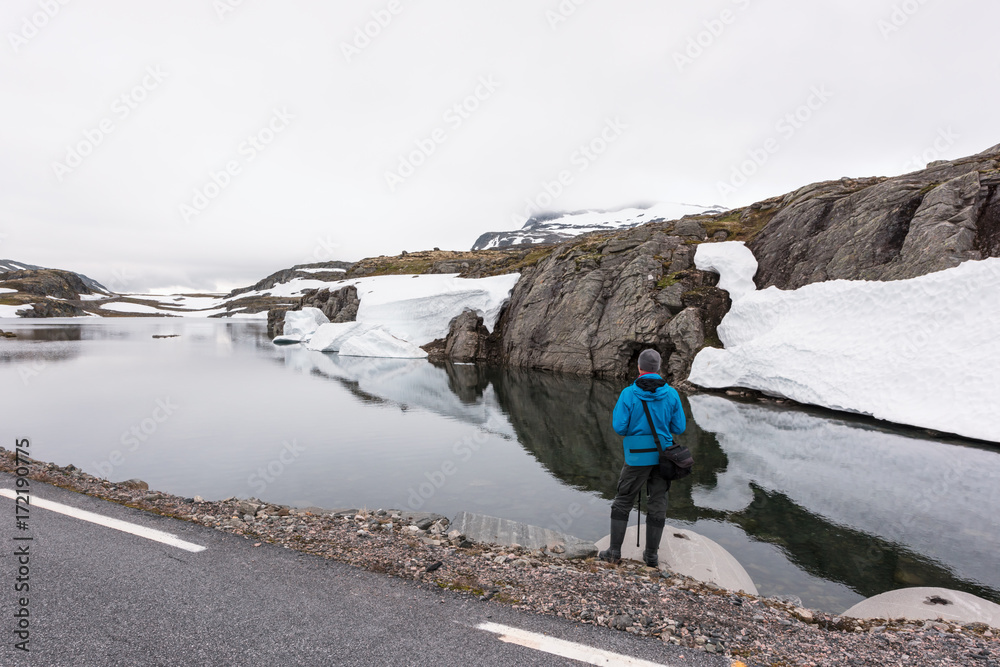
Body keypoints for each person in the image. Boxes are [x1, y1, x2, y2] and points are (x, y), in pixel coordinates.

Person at [599, 348, 686, 567]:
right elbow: (679, 426)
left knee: (623, 500)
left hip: (637, 458)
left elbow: (619, 427)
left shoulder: (629, 393)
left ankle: (614, 553)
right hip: (664, 457)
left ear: (639, 368)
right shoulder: (672, 393)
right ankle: (651, 556)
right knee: (658, 503)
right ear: (659, 368)